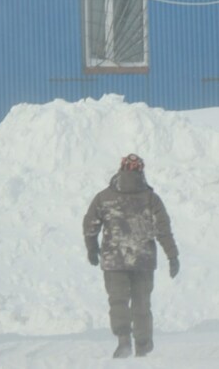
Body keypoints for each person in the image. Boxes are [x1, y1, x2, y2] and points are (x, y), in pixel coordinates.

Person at [83, 153, 180, 359]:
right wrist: (172, 256)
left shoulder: (104, 197)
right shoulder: (151, 198)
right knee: (142, 303)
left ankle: (123, 342)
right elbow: (163, 229)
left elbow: (90, 225)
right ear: (141, 171)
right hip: (143, 261)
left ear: (121, 170)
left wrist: (91, 248)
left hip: (114, 261)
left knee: (118, 301)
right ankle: (143, 347)